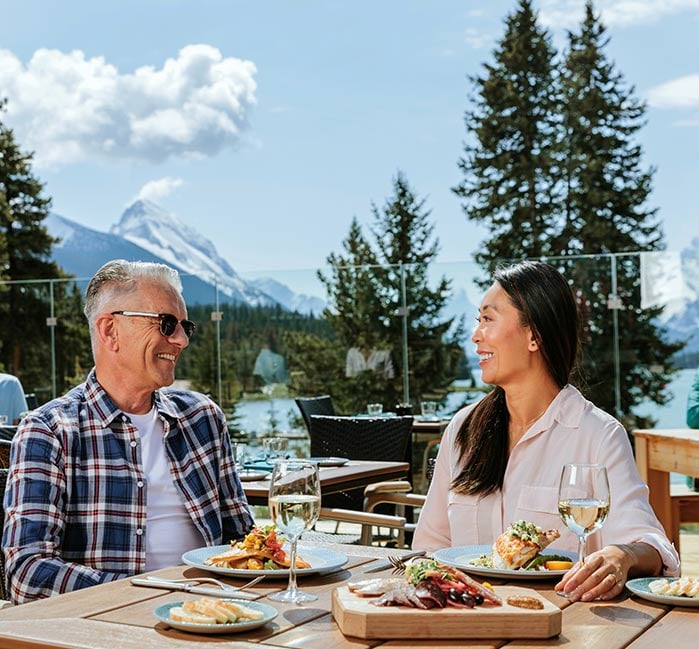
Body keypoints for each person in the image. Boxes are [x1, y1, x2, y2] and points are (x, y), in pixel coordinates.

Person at [413, 260, 679, 602]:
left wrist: (622, 557)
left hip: (562, 623)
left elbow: (650, 544)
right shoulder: (463, 430)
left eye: (488, 319)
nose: (476, 335)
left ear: (534, 335)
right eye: (477, 321)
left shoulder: (599, 436)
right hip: (468, 619)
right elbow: (429, 547)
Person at [2, 260, 255, 603]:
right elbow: (26, 573)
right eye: (166, 324)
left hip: (215, 617)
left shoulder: (203, 418)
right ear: (110, 331)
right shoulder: (49, 432)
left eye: (185, 326)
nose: (180, 340)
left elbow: (245, 539)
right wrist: (154, 593)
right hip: (106, 629)